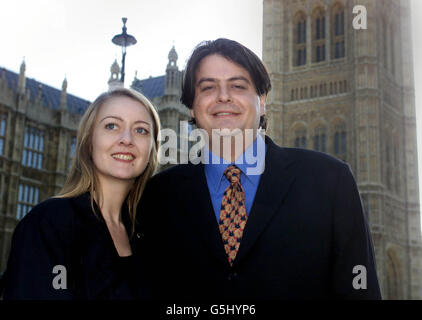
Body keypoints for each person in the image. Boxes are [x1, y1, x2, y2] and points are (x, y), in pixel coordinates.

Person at [139, 38, 382, 300]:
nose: (224, 96)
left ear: (262, 100)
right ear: (191, 107)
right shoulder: (158, 195)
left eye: (238, 86)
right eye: (208, 88)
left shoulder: (330, 182)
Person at [3, 88, 160, 299]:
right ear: (88, 141)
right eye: (112, 126)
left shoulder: (152, 238)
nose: (127, 139)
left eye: (141, 130)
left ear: (152, 150)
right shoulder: (48, 224)